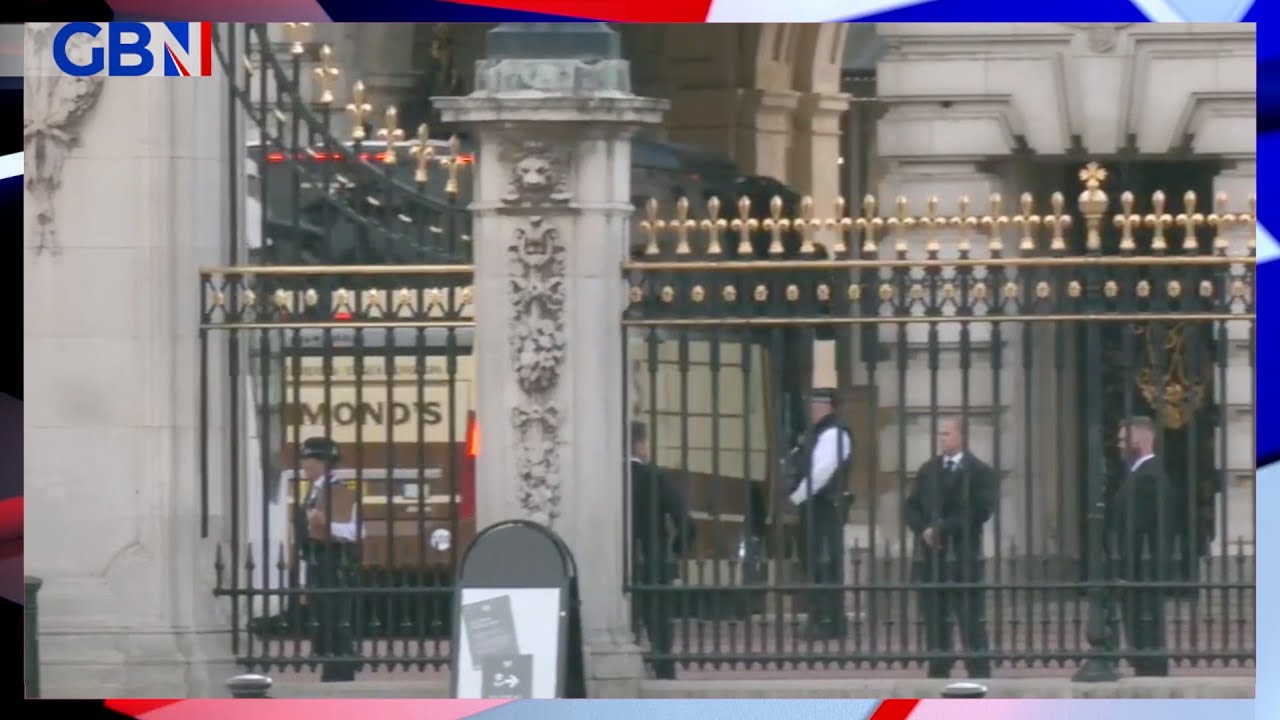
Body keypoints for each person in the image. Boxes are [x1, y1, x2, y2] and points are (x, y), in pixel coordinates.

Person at [904, 416, 996, 679]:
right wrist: (924, 529)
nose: (942, 438)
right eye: (940, 434)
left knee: (970, 617)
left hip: (965, 554)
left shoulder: (980, 471)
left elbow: (980, 511)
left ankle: (978, 668)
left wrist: (943, 528)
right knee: (935, 616)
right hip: (932, 556)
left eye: (947, 433)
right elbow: (910, 506)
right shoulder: (928, 469)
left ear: (961, 436)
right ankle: (939, 665)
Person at [629, 420, 695, 680]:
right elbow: (687, 524)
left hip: (617, 566)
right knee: (659, 626)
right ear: (639, 444)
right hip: (653, 560)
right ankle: (663, 670)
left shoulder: (609, 478)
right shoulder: (655, 478)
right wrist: (675, 551)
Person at [786, 388, 854, 641]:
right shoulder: (815, 433)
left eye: (815, 404)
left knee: (825, 563)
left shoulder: (835, 433)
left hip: (825, 507)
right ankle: (820, 617)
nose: (811, 409)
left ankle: (829, 621)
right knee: (813, 563)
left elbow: (822, 472)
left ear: (827, 407)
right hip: (813, 507)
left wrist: (796, 497)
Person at [1110, 415, 1172, 677]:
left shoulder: (1149, 477)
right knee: (1138, 632)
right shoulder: (1139, 474)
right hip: (1138, 568)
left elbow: (1138, 530)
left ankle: (1150, 673)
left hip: (1140, 570)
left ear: (1140, 440)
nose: (1119, 445)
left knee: (1144, 630)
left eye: (1124, 439)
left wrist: (1124, 566)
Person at [298, 436, 360, 682]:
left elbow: (355, 531)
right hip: (317, 564)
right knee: (322, 623)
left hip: (335, 565)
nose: (303, 464)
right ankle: (331, 670)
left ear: (321, 462)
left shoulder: (338, 490)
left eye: (307, 459)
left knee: (336, 622)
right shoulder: (315, 491)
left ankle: (341, 674)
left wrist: (327, 524)